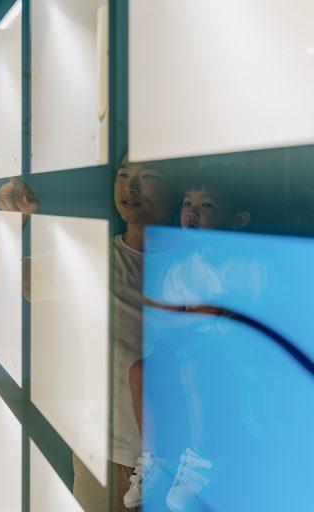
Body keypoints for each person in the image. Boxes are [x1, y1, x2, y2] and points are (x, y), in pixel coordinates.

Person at [123, 165, 254, 511]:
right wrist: (198, 317)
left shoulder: (251, 266)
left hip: (238, 357)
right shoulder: (182, 270)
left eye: (206, 205)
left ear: (238, 219)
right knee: (140, 370)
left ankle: (199, 463)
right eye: (187, 203)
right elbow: (166, 324)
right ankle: (154, 458)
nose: (192, 212)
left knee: (199, 363)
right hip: (188, 352)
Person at [71, 153, 181, 512]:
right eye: (122, 174)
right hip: (104, 451)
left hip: (184, 462)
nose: (129, 187)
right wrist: (13, 219)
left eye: (147, 175)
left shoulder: (201, 263)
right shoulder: (88, 258)